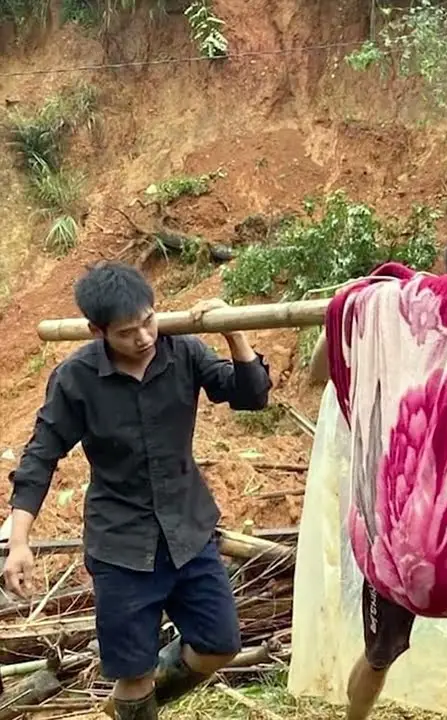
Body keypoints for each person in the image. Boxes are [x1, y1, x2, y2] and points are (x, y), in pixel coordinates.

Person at [2, 262, 273, 720]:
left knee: (220, 643)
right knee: (133, 672)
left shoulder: (184, 351)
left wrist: (235, 333)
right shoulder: (76, 379)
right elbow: (40, 457)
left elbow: (251, 395)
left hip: (189, 533)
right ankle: (135, 704)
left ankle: (127, 711)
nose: (143, 338)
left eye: (148, 322)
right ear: (97, 330)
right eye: (127, 332)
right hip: (121, 546)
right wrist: (20, 540)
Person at [309, 233, 447, 720]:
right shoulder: (406, 333)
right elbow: (322, 368)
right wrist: (346, 308)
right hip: (407, 527)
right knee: (384, 655)